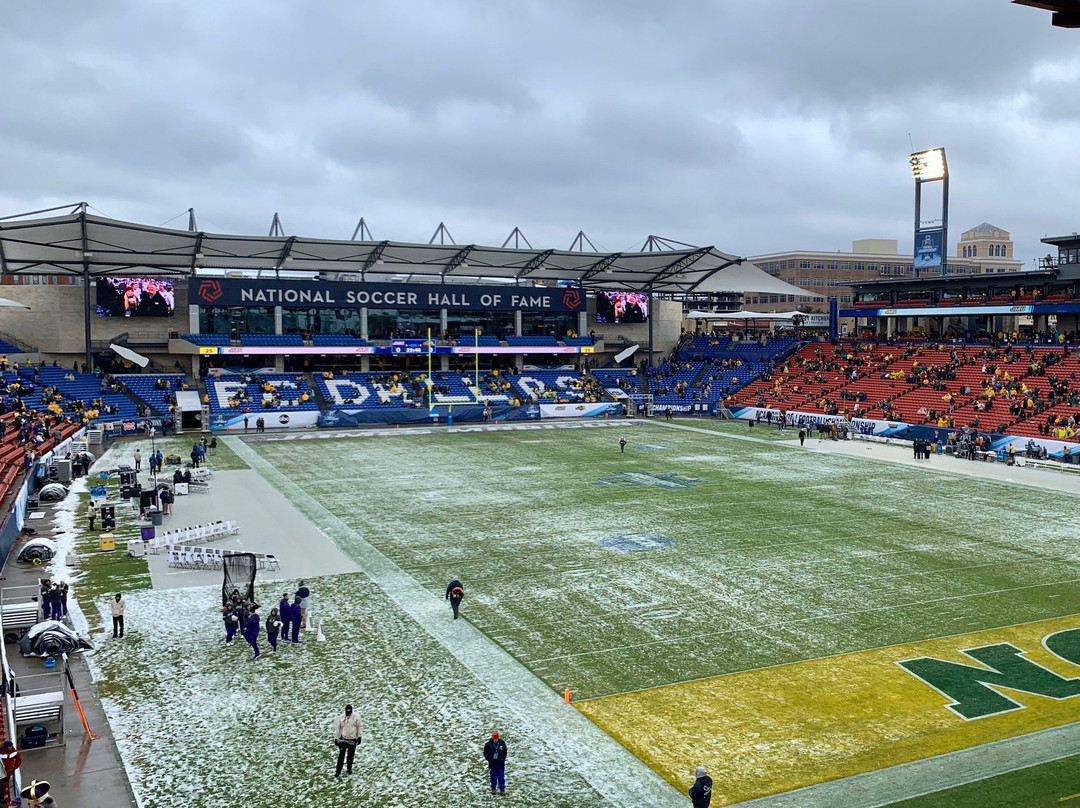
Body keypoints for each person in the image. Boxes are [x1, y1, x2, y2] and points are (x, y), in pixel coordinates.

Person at [333, 704, 363, 777]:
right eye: (347, 711)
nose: (348, 713)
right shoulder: (341, 718)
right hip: (343, 739)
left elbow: (359, 727)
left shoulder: (356, 718)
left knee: (350, 755)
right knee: (341, 756)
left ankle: (349, 769)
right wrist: (336, 738)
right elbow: (338, 728)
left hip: (352, 739)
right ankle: (338, 771)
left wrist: (359, 737)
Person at [483, 731, 508, 795]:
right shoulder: (488, 745)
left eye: (496, 739)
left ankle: (502, 790)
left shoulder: (502, 743)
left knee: (501, 777)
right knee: (493, 777)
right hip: (492, 764)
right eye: (494, 739)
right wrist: (490, 760)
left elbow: (505, 751)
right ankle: (493, 789)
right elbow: (485, 753)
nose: (495, 740)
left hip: (500, 764)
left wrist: (502, 759)